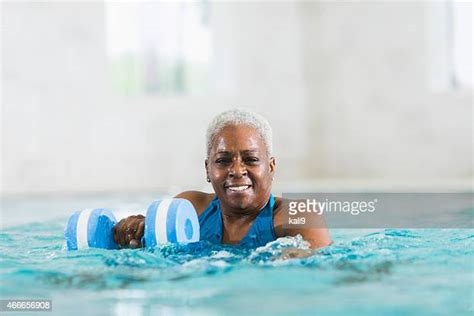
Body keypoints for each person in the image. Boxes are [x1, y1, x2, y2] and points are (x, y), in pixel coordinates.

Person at [114, 109, 331, 251]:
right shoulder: (189, 208)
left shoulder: (298, 215)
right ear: (208, 169)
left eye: (251, 159)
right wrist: (139, 229)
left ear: (271, 167)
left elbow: (317, 271)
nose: (237, 170)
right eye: (223, 160)